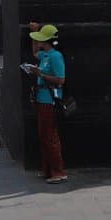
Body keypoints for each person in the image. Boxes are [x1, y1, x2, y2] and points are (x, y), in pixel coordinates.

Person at [25, 24, 67, 184]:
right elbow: (35, 52)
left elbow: (61, 80)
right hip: (41, 99)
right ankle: (48, 170)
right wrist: (34, 32)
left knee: (50, 137)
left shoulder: (56, 57)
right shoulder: (45, 56)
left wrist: (40, 74)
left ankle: (58, 171)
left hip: (50, 100)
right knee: (44, 136)